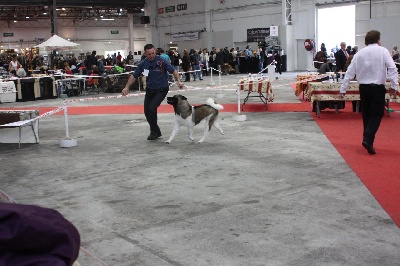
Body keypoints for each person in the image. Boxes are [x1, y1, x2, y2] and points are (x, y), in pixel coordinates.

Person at [340, 30, 398, 155]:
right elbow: (392, 68)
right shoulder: (383, 51)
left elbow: (350, 71)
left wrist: (343, 88)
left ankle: (369, 142)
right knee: (376, 114)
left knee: (366, 115)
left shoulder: (359, 53)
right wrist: (394, 85)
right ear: (378, 40)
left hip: (363, 88)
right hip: (377, 87)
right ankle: (367, 138)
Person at [121, 44, 184, 140]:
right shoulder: (143, 63)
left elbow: (173, 71)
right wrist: (126, 87)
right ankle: (155, 131)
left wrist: (179, 81)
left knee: (151, 109)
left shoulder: (162, 60)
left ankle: (154, 131)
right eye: (149, 54)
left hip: (161, 89)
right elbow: (134, 76)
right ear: (145, 53)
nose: (151, 55)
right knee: (147, 111)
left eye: (153, 53)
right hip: (150, 90)